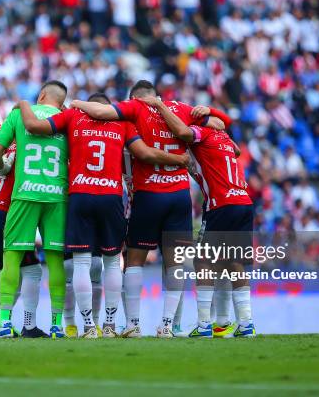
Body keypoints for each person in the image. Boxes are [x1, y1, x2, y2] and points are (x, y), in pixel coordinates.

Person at [20, 92, 191, 338]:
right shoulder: (122, 123)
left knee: (81, 263)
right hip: (110, 197)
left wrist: (24, 103)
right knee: (111, 262)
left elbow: (34, 126)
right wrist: (179, 159)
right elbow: (144, 153)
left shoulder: (72, 115)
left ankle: (89, 327)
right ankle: (110, 325)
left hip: (80, 194)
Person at [70, 80, 227, 338]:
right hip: (179, 196)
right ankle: (167, 326)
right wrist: (204, 111)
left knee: (133, 261)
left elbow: (99, 112)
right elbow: (220, 126)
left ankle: (133, 324)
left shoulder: (135, 110)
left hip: (148, 195)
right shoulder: (182, 109)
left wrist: (74, 103)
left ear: (135, 98)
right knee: (174, 263)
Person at [141, 95, 256, 338]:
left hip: (222, 204)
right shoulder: (225, 139)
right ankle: (245, 324)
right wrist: (217, 116)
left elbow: (183, 132)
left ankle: (204, 324)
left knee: (203, 261)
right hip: (244, 201)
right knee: (233, 263)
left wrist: (161, 107)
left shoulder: (201, 134)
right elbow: (232, 147)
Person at [0, 81, 69, 339]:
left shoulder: (18, 114)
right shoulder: (68, 119)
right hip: (57, 195)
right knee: (55, 260)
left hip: (25, 193)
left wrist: (3, 167)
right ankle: (57, 325)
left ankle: (4, 323)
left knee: (12, 257)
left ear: (41, 95)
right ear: (61, 101)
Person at [0, 122, 48, 338]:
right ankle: (27, 325)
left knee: (1, 270)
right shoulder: (26, 146)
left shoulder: (3, 145)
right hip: (5, 212)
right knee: (31, 270)